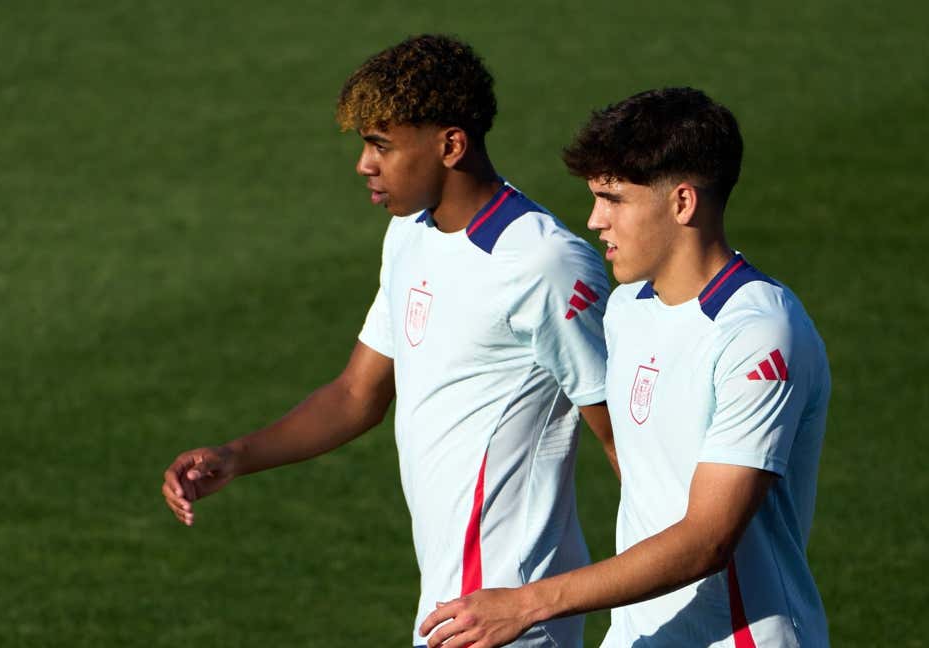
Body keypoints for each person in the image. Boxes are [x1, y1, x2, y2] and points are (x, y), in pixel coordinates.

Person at [160, 35, 617, 648]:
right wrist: (236, 455)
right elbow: (357, 394)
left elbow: (624, 439)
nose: (364, 165)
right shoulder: (410, 235)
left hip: (508, 611)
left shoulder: (543, 264)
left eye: (382, 145)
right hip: (451, 605)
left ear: (451, 145)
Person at [419, 87, 831, 648]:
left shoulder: (758, 333)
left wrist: (527, 603)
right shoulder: (626, 308)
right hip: (640, 634)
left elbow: (707, 539)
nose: (594, 220)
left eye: (613, 198)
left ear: (682, 202)